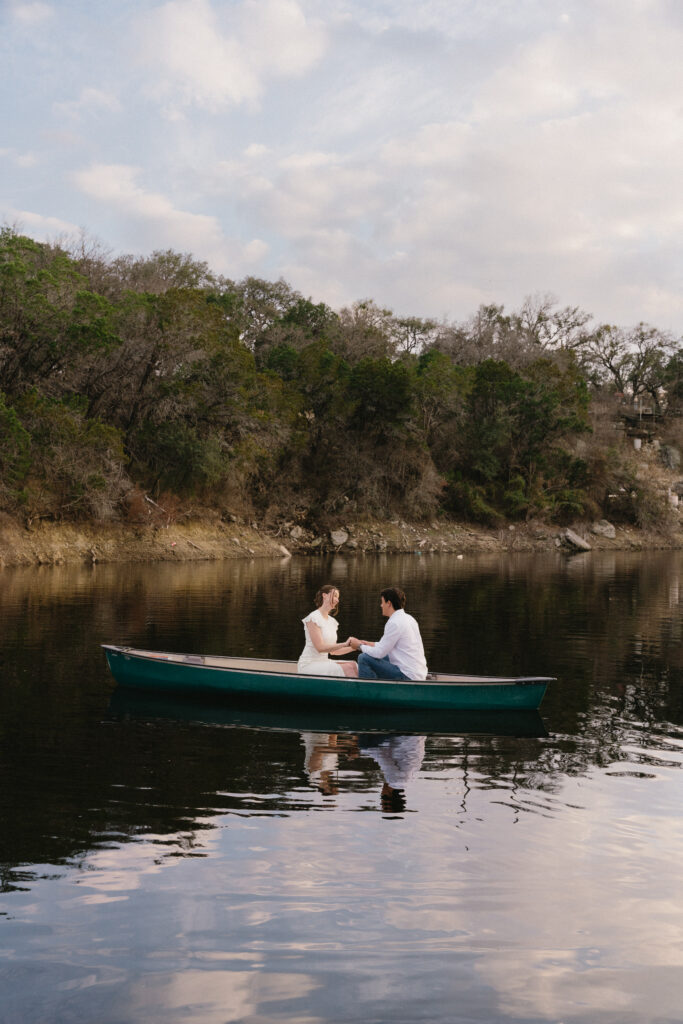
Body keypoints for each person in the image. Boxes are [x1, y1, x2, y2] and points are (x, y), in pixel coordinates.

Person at [347, 586, 427, 680]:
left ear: (389, 603)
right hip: (418, 672)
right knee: (382, 655)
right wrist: (369, 644)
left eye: (382, 602)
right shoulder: (410, 618)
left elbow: (380, 653)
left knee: (364, 658)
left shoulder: (394, 622)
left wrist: (359, 646)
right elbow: (385, 646)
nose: (381, 605)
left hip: (407, 675)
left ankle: (368, 688)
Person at [298, 584, 359, 678]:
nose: (337, 600)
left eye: (338, 597)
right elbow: (320, 648)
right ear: (324, 595)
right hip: (309, 664)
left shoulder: (332, 622)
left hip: (323, 662)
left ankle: (360, 687)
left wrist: (355, 647)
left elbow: (333, 651)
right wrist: (344, 644)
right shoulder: (313, 618)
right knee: (348, 668)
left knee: (353, 664)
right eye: (335, 596)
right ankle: (359, 688)